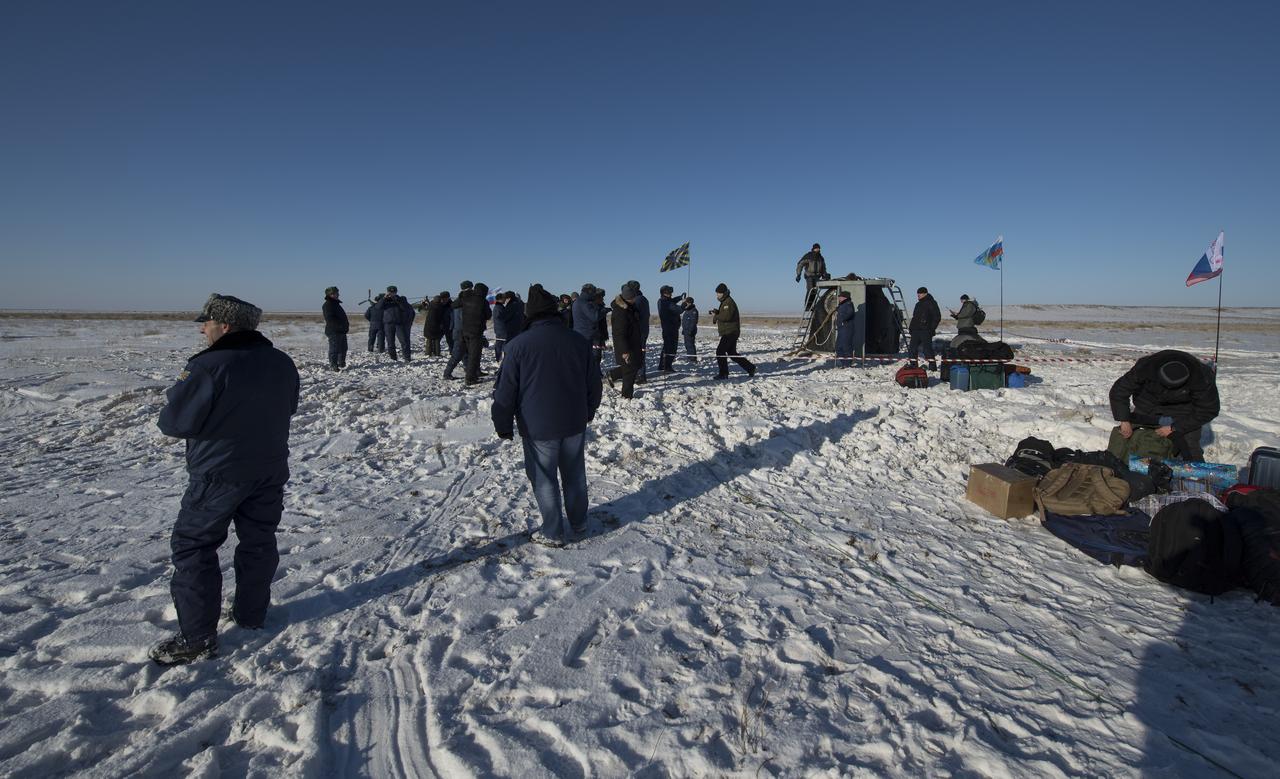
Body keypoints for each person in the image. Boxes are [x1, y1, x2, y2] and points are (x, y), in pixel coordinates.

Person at [150, 294, 300, 665]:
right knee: (259, 540)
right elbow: (289, 407)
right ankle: (251, 615)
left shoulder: (209, 366)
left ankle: (197, 638)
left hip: (219, 474)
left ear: (226, 326)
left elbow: (175, 423)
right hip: (269, 469)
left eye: (207, 322)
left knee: (194, 546)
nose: (202, 328)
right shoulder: (281, 362)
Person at [492, 285, 603, 545]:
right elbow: (594, 383)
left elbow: (505, 390)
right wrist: (589, 410)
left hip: (538, 425)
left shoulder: (517, 345)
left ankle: (553, 532)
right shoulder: (578, 340)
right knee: (575, 473)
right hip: (574, 421)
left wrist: (502, 423)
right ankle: (579, 521)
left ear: (529, 315)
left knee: (544, 479)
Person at [1109, 350, 1220, 462]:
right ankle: (1125, 469)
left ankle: (1197, 476)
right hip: (1148, 404)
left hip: (1184, 410)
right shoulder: (1147, 367)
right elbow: (1119, 390)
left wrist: (1175, 427)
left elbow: (1208, 409)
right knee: (1132, 436)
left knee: (1189, 446)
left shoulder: (1202, 378)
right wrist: (1124, 420)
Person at [710, 283, 756, 379]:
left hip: (730, 332)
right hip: (730, 331)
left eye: (719, 293)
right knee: (732, 353)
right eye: (717, 293)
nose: (717, 295)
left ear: (724, 293)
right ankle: (751, 368)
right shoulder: (725, 302)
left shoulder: (728, 302)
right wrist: (717, 313)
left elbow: (727, 317)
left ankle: (723, 373)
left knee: (720, 352)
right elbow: (725, 315)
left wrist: (716, 316)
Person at [607, 286, 643, 399]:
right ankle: (627, 396)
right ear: (629, 297)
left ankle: (613, 375)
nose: (636, 299)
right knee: (630, 371)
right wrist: (624, 350)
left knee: (634, 366)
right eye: (634, 297)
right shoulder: (620, 312)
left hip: (633, 343)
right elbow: (619, 333)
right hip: (627, 346)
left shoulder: (630, 307)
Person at [459, 282, 492, 385]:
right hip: (476, 331)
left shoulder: (465, 298)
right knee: (474, 355)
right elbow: (488, 315)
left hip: (465, 330)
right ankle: (470, 378)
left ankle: (476, 372)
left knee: (472, 354)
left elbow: (455, 305)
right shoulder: (483, 301)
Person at [907, 286, 941, 370]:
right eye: (917, 293)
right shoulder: (918, 304)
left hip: (926, 331)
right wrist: (911, 328)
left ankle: (932, 367)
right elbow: (915, 317)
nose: (918, 295)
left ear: (925, 293)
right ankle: (913, 366)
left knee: (927, 350)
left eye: (920, 293)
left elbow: (937, 317)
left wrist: (931, 328)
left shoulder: (931, 303)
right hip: (916, 330)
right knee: (912, 349)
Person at [443, 281, 472, 379]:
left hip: (459, 331)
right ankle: (447, 373)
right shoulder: (463, 302)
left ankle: (469, 371)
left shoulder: (457, 301)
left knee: (466, 353)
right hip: (461, 332)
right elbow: (462, 319)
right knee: (457, 354)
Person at [377, 285, 414, 362]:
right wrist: (384, 299)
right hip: (388, 323)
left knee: (404, 341)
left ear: (396, 292)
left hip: (399, 323)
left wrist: (397, 299)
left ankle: (407, 358)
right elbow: (378, 307)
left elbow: (405, 308)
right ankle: (393, 358)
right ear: (387, 292)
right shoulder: (384, 300)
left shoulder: (401, 299)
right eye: (390, 292)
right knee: (390, 342)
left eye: (393, 292)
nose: (391, 294)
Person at [656, 285, 685, 372]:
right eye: (670, 293)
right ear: (665, 293)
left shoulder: (662, 301)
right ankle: (667, 366)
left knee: (666, 347)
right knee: (671, 348)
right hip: (671, 329)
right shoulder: (667, 303)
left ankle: (662, 365)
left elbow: (672, 301)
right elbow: (679, 309)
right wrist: (684, 304)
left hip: (668, 328)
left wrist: (680, 297)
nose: (671, 295)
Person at [626, 281, 650, 384]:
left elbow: (635, 316)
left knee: (639, 353)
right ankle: (639, 373)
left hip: (639, 331)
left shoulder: (638, 300)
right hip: (642, 330)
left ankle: (641, 375)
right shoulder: (643, 298)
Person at [322, 286, 349, 371]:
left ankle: (341, 363)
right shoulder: (328, 305)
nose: (337, 294)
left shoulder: (336, 304)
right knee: (334, 349)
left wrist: (345, 326)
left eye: (337, 293)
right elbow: (329, 319)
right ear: (330, 294)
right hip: (334, 331)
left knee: (343, 348)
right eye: (335, 293)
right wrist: (339, 326)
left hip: (341, 331)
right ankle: (333, 365)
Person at [833, 290, 856, 368]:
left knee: (846, 346)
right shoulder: (842, 305)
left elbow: (850, 313)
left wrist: (843, 319)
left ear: (844, 297)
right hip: (841, 328)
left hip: (847, 328)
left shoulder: (849, 304)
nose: (839, 298)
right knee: (838, 347)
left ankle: (847, 364)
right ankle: (844, 363)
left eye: (840, 297)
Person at [680, 296, 698, 362]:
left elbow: (693, 322)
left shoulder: (693, 311)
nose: (685, 304)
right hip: (686, 331)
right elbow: (685, 322)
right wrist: (684, 330)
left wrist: (690, 331)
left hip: (690, 332)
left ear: (690, 303)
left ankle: (693, 359)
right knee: (687, 345)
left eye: (686, 303)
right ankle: (689, 357)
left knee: (690, 345)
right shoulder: (687, 311)